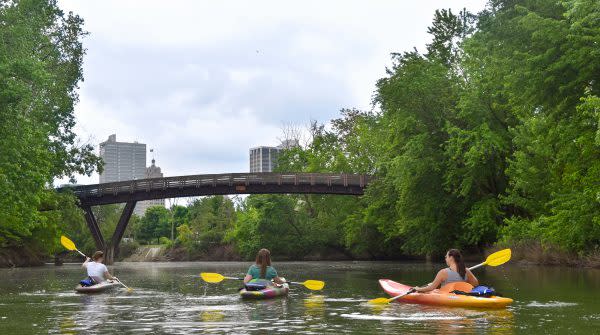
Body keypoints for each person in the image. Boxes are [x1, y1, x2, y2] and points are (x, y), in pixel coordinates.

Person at [414, 249, 478, 293]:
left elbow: (431, 288)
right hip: (462, 295)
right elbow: (475, 284)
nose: (445, 259)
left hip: (446, 296)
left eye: (446, 257)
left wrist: (418, 289)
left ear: (451, 258)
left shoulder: (443, 272)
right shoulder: (466, 271)